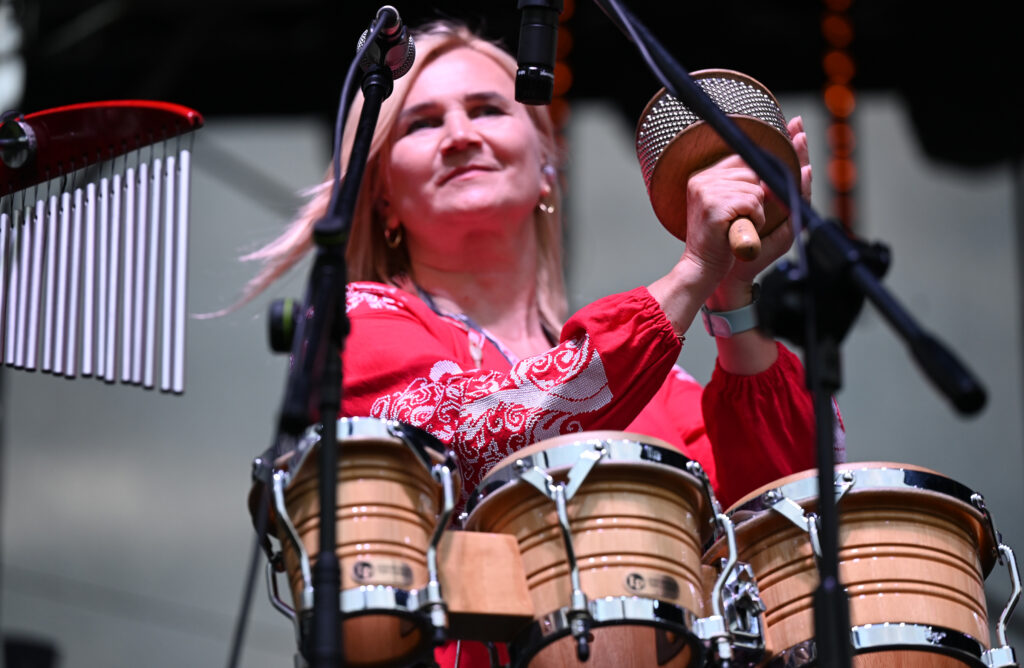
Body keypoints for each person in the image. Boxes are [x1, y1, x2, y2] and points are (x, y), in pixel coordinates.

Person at [240, 18, 839, 667]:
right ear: (382, 196)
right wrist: (693, 274)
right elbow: (469, 432)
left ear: (547, 168)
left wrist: (734, 295)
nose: (461, 136)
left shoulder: (660, 388)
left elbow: (786, 530)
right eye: (422, 123)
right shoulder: (356, 320)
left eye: (488, 109)